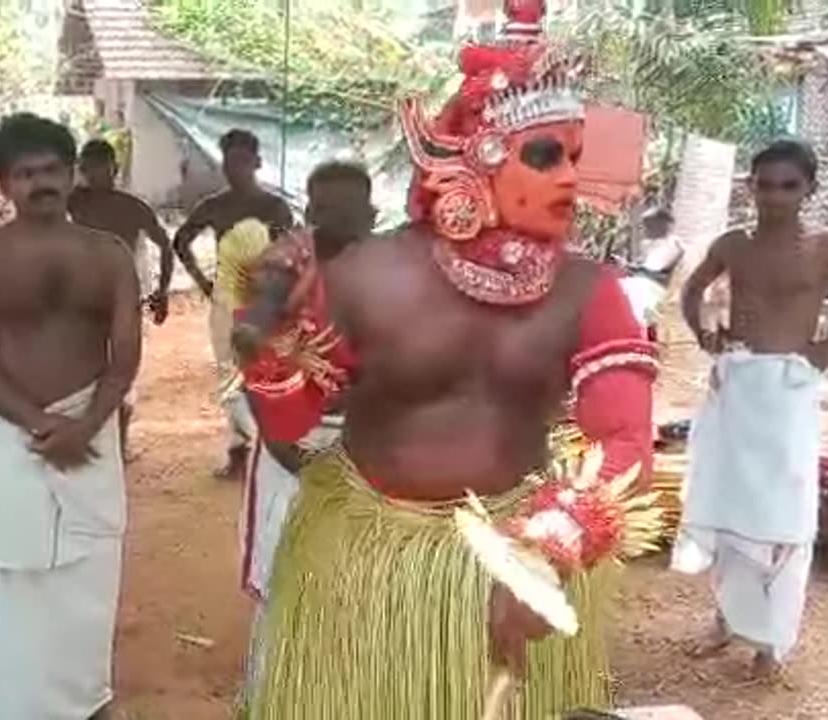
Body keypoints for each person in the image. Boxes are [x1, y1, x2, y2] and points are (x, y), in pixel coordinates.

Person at [230, 2, 660, 716]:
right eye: (545, 156)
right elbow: (293, 419)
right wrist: (272, 343)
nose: (568, 180)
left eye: (575, 158)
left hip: (518, 565)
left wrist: (543, 553)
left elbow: (625, 442)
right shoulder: (370, 273)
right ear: (475, 159)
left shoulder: (590, 290)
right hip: (366, 568)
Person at [0, 113, 141, 719]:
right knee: (13, 567)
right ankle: (8, 705)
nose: (41, 184)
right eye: (25, 174)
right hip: (12, 432)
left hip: (92, 428)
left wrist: (86, 425)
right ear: (2, 184)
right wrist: (38, 423)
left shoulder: (109, 254)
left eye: (52, 170)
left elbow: (126, 356)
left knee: (90, 568)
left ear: (72, 173)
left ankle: (83, 700)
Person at [672, 138, 828, 679]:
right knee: (729, 506)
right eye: (764, 184)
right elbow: (691, 292)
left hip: (789, 391)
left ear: (809, 188)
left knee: (782, 517)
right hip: (736, 386)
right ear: (750, 186)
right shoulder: (733, 244)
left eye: (789, 186)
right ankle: (726, 620)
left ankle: (769, 644)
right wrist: (704, 331)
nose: (775, 197)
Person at [235, 160, 375, 698]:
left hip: (367, 443)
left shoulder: (391, 269)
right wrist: (280, 445)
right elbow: (252, 344)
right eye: (322, 209)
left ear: (371, 213)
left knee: (358, 580)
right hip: (293, 441)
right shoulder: (284, 265)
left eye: (346, 209)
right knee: (288, 576)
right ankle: (277, 697)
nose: (332, 220)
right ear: (307, 211)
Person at [173, 128, 295, 479]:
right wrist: (203, 282)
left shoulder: (275, 207)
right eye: (229, 161)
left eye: (241, 161)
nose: (234, 168)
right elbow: (181, 242)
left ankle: (266, 448)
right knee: (230, 375)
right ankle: (240, 450)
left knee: (265, 374)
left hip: (266, 302)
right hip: (228, 301)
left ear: (256, 162)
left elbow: (290, 253)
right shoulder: (215, 206)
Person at [69, 139, 175, 459]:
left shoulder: (132, 206)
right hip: (82, 298)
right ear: (82, 171)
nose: (96, 176)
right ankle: (92, 435)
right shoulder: (73, 202)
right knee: (84, 370)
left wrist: (162, 291)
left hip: (121, 298)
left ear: (114, 169)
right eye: (89, 169)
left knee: (123, 370)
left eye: (103, 169)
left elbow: (165, 247)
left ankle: (120, 442)